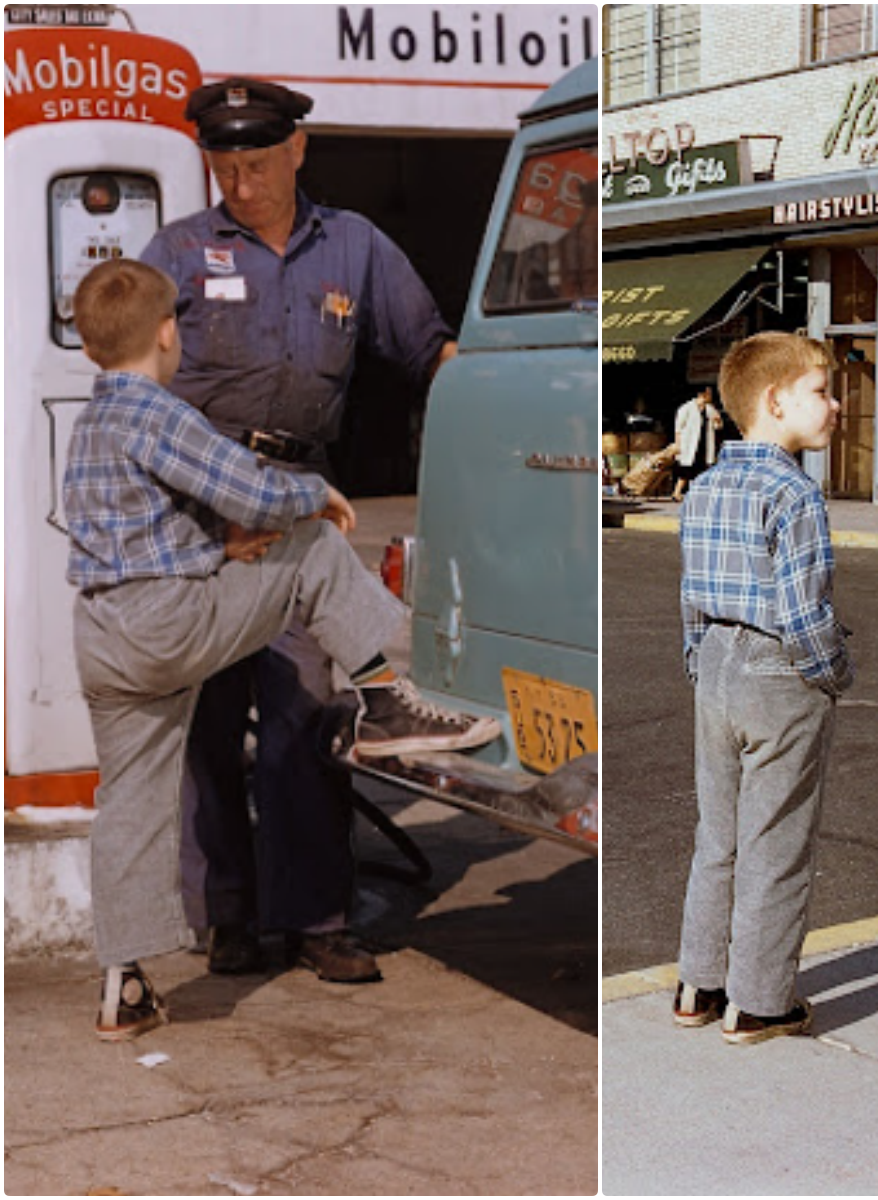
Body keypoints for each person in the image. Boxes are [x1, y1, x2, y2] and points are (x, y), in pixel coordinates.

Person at [65, 259, 500, 1041]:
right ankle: (381, 702)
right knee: (312, 550)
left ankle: (121, 987)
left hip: (103, 635)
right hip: (167, 625)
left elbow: (139, 526)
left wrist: (213, 549)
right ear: (167, 334)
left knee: (128, 803)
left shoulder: (90, 420)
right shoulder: (154, 411)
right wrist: (314, 495)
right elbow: (254, 491)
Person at [141, 78, 458, 984]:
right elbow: (134, 383)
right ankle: (227, 919)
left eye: (256, 164)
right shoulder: (180, 249)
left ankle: (316, 918)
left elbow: (429, 350)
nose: (239, 184)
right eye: (224, 166)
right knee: (210, 723)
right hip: (203, 506)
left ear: (298, 152)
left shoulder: (353, 247)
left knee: (307, 714)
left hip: (298, 506)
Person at [675, 332, 854, 1044]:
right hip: (779, 666)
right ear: (775, 401)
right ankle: (760, 1001)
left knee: (716, 836)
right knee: (776, 841)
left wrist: (700, 660)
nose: (835, 406)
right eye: (821, 392)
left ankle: (699, 983)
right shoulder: (796, 492)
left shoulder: (708, 485)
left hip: (715, 658)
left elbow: (690, 593)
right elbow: (805, 610)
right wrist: (833, 673)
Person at [672, 386, 723, 502]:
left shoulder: (710, 409)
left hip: (704, 443)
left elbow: (718, 427)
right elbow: (678, 428)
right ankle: (677, 492)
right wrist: (678, 444)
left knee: (701, 469)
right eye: (709, 393)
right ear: (702, 394)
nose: (710, 396)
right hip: (689, 444)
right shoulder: (686, 408)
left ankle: (696, 493)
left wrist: (718, 421)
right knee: (686, 470)